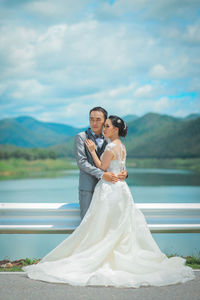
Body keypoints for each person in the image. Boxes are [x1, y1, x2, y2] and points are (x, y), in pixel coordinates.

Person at [22, 115, 195, 288]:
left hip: (109, 189)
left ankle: (102, 256)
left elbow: (102, 167)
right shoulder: (122, 145)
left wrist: (92, 151)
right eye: (102, 125)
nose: (104, 129)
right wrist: (123, 172)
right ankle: (116, 255)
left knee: (102, 224)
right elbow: (120, 165)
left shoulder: (111, 146)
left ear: (115, 129)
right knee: (117, 225)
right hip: (121, 189)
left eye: (107, 126)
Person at [74, 106, 127, 219]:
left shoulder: (109, 137)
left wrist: (124, 172)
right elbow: (82, 163)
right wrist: (102, 175)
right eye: (91, 119)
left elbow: (117, 158)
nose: (94, 123)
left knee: (106, 224)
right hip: (88, 188)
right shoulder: (81, 137)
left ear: (105, 121)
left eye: (98, 119)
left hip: (108, 189)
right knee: (87, 223)